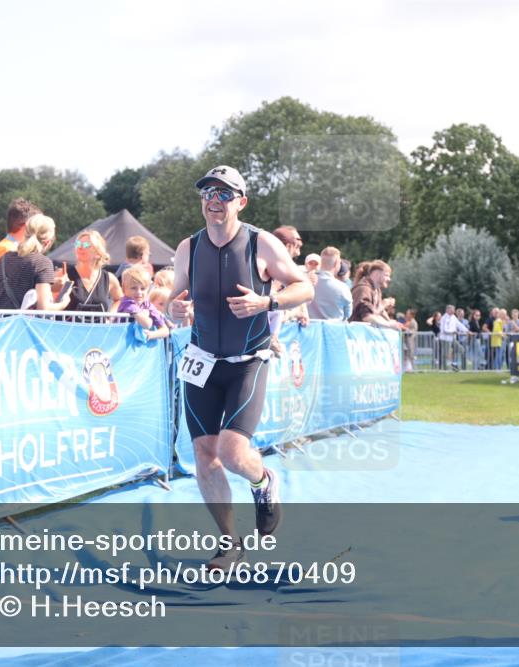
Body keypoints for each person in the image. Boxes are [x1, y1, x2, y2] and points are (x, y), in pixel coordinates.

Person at [166, 165, 313, 569]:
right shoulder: (188, 247)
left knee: (232, 453)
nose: (214, 201)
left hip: (248, 361)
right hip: (201, 362)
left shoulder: (261, 243)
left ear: (241, 202)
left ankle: (263, 482)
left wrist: (266, 302)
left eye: (224, 194)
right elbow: (174, 297)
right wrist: (174, 308)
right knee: (204, 454)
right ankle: (230, 543)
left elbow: (304, 287)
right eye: (208, 194)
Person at [0, 214, 71, 312]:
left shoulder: (3, 258)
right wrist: (63, 303)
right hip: (21, 321)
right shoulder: (42, 263)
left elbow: (16, 287)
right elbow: (44, 308)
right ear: (48, 242)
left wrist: (50, 284)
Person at [0, 198, 39, 309]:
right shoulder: (7, 250)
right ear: (26, 226)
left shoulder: (6, 247)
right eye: (36, 225)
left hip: (2, 313)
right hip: (4, 313)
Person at [63, 230, 124, 314]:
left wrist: (111, 315)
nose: (80, 247)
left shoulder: (109, 278)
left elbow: (120, 300)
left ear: (98, 253)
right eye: (78, 244)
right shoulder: (64, 274)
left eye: (86, 245)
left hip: (100, 323)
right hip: (69, 323)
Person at [349, 260, 404, 329]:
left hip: (363, 332)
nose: (389, 279)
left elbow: (375, 314)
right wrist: (388, 324)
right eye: (386, 275)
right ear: (377, 274)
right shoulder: (364, 289)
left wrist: (390, 322)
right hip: (357, 332)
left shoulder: (376, 290)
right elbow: (367, 317)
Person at [118, 265, 169, 341]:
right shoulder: (127, 303)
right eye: (133, 288)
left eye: (143, 288)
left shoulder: (147, 304)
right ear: (124, 289)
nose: (139, 292)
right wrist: (146, 314)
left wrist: (151, 334)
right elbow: (147, 324)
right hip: (122, 342)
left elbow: (165, 330)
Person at [306, 246, 352, 321]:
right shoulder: (343, 288)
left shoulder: (306, 283)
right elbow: (348, 314)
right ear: (336, 263)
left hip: (307, 327)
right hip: (334, 327)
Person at [439, 304, 469, 371]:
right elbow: (444, 330)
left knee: (461, 349)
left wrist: (467, 331)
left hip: (452, 338)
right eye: (452, 310)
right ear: (448, 310)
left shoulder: (453, 317)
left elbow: (459, 325)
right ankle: (444, 369)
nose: (454, 311)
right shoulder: (444, 318)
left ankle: (454, 364)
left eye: (454, 310)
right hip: (445, 339)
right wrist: (452, 332)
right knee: (445, 354)